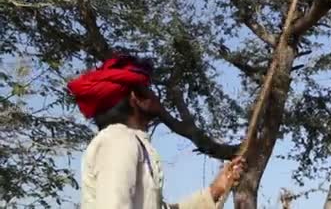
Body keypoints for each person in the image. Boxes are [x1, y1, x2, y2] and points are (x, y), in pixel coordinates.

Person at [67, 54, 243, 209]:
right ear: (137, 98)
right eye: (149, 89)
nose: (155, 96)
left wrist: (215, 190)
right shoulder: (118, 140)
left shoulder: (130, 142)